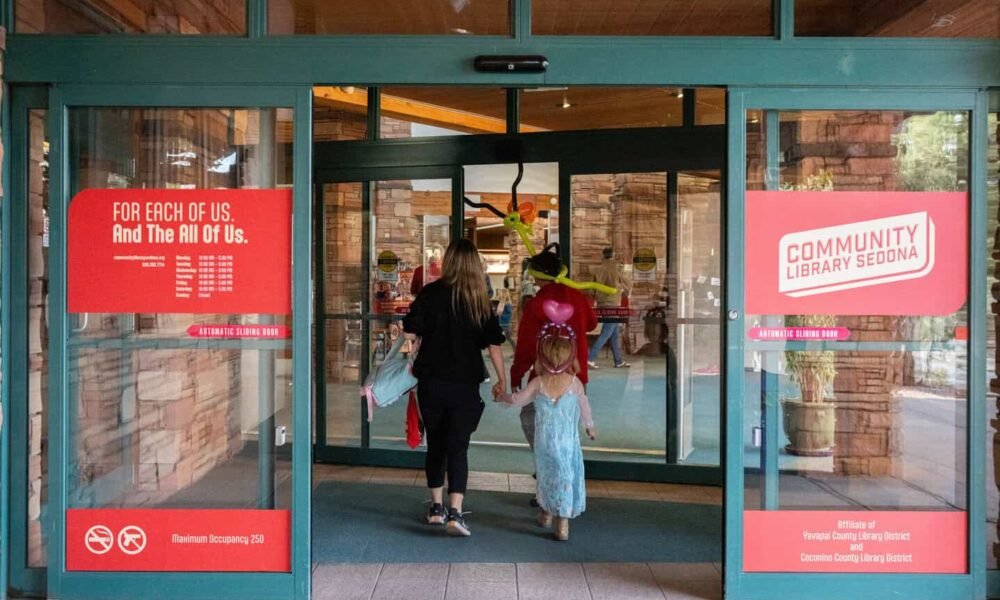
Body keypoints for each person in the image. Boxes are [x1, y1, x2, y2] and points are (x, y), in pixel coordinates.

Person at [403, 239, 507, 537]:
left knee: (436, 443)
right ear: (475, 266)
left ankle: (436, 508)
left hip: (432, 382)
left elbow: (410, 329)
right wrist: (503, 380)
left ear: (448, 262)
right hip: (465, 384)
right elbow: (494, 344)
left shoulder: (431, 293)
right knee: (458, 447)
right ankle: (456, 513)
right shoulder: (478, 301)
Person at [510, 245, 597, 505]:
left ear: (536, 276)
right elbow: (592, 323)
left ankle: (547, 480)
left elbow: (525, 346)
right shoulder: (578, 297)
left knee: (535, 425)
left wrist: (516, 376)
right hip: (575, 376)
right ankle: (567, 485)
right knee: (567, 434)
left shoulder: (537, 304)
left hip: (544, 379)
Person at [497, 314, 596, 541]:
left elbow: (517, 400)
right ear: (570, 358)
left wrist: (501, 396)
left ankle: (546, 514)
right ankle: (562, 524)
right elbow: (584, 406)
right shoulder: (574, 384)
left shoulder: (538, 383)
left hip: (544, 441)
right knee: (565, 477)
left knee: (547, 475)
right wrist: (589, 427)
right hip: (568, 442)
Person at [587, 247, 633, 369]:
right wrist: (625, 291)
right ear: (613, 255)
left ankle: (618, 361)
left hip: (601, 303)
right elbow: (627, 283)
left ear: (603, 255)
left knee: (614, 334)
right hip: (613, 303)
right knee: (607, 332)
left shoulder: (597, 269)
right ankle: (589, 359)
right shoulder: (617, 268)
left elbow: (591, 290)